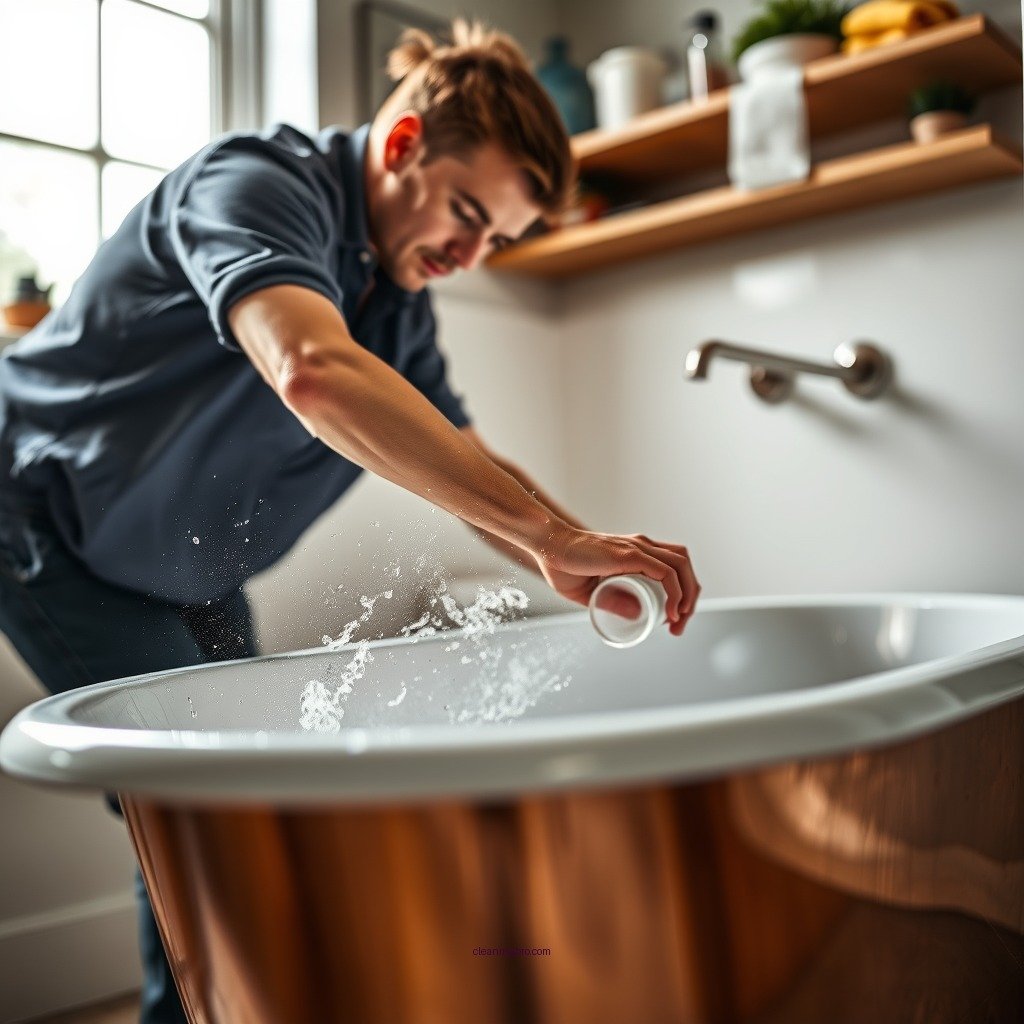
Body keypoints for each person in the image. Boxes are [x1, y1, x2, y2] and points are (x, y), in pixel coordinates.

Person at [0, 19, 700, 1024]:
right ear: (404, 143)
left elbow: (470, 461)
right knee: (200, 797)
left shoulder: (400, 304)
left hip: (181, 565)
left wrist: (576, 552)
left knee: (240, 793)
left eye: (495, 239)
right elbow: (311, 369)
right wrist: (549, 537)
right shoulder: (255, 186)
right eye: (466, 213)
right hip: (41, 513)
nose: (469, 254)